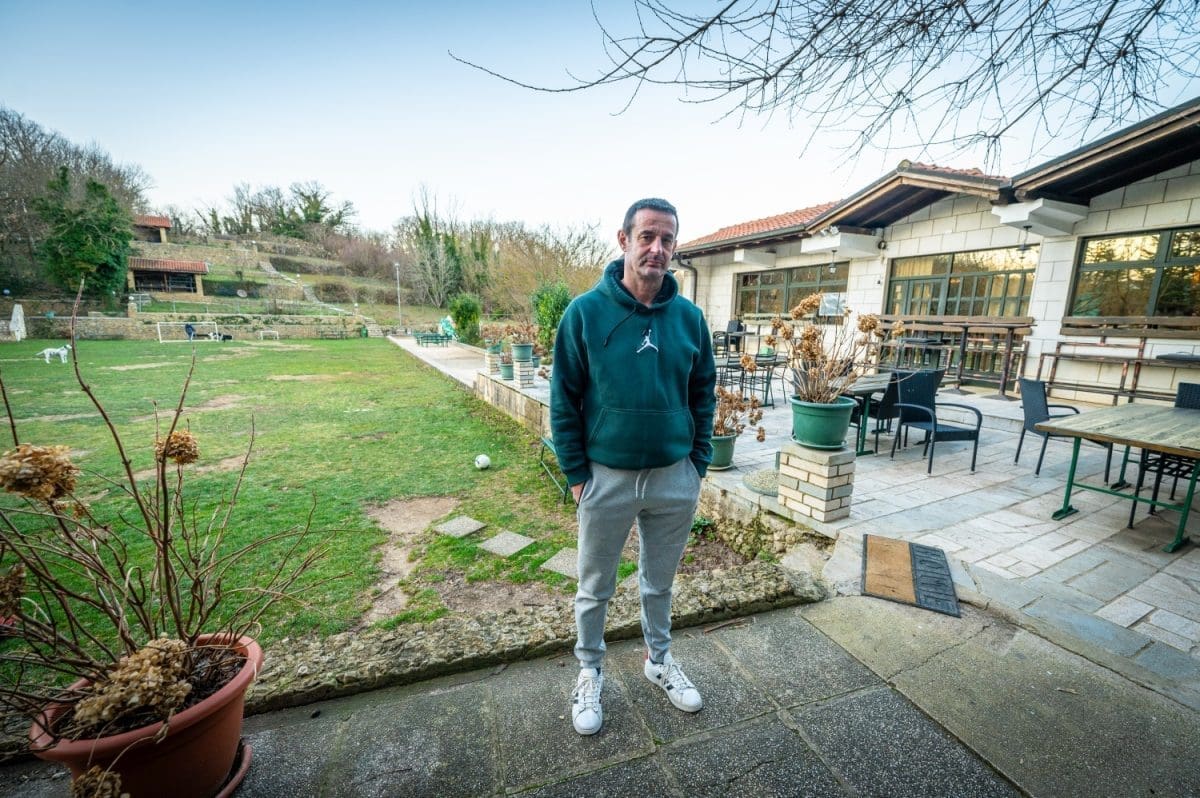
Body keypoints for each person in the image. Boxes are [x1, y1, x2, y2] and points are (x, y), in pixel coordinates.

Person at [550, 197, 716, 736]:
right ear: (624, 240)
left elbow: (704, 394)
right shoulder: (584, 313)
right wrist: (578, 475)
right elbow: (563, 399)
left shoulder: (690, 320)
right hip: (607, 477)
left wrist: (697, 464)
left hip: (674, 478)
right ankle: (590, 671)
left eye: (667, 239)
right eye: (647, 236)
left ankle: (658, 661)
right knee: (594, 586)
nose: (657, 248)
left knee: (659, 584)